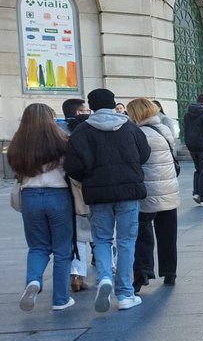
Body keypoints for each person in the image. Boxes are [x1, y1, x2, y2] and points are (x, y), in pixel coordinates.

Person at [64, 88, 151, 312]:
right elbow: (144, 153)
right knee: (126, 241)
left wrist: (89, 178)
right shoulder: (129, 127)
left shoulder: (82, 131)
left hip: (98, 194)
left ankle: (104, 277)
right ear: (113, 104)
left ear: (91, 107)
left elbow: (72, 166)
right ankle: (125, 294)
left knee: (101, 239)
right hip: (129, 192)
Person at [10, 103, 75, 311]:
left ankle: (34, 281)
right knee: (62, 249)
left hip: (29, 196)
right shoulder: (61, 140)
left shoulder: (18, 144)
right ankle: (60, 299)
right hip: (58, 195)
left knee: (37, 246)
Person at [126, 98, 180, 293]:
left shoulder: (136, 133)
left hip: (147, 191)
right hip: (168, 189)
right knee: (168, 233)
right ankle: (169, 272)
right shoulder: (164, 129)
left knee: (142, 233)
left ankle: (142, 272)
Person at [62, 98, 92, 293]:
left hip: (61, 190)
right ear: (79, 112)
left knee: (74, 235)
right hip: (82, 188)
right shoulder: (84, 131)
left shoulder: (58, 132)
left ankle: (76, 273)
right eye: (85, 110)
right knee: (91, 234)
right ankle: (108, 269)